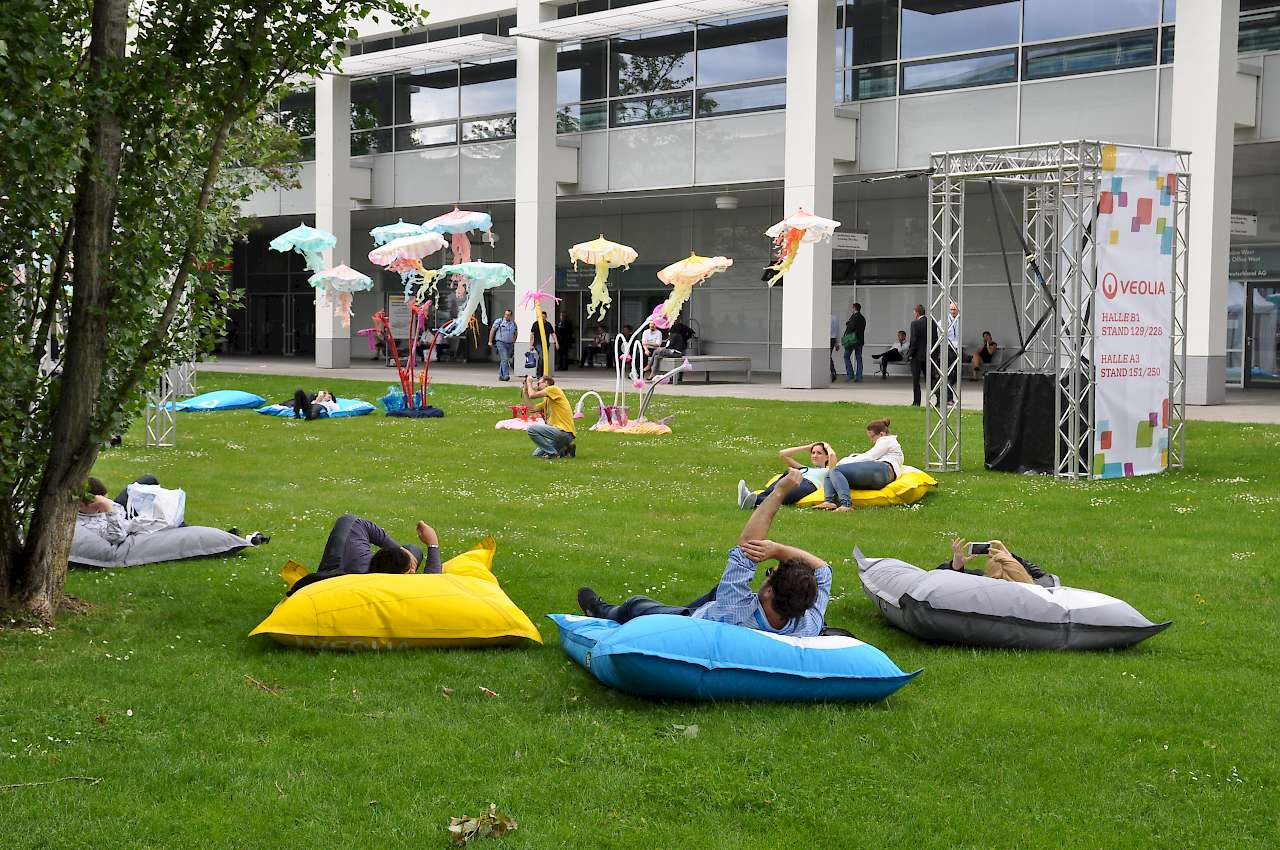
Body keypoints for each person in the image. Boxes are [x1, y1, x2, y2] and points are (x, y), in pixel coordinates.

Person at [577, 469, 831, 637]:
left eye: (769, 574)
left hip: (699, 621)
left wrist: (779, 494)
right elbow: (823, 571)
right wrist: (778, 551)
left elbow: (748, 546)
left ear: (768, 591)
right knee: (719, 590)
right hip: (721, 606)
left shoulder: (735, 610)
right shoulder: (807, 624)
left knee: (637, 606)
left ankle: (600, 610)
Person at [287, 515, 441, 596]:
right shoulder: (405, 591)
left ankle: (404, 554)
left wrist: (399, 549)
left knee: (412, 550)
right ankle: (405, 554)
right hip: (345, 576)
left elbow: (351, 521)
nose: (413, 572)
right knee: (413, 550)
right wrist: (433, 544)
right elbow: (434, 586)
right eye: (410, 571)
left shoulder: (358, 564)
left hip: (344, 572)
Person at [815, 418, 903, 511]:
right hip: (881, 477)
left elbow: (868, 457)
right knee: (830, 473)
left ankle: (846, 504)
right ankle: (829, 502)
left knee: (835, 470)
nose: (871, 441)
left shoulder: (886, 440)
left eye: (872, 437)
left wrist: (842, 462)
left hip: (882, 470)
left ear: (882, 434)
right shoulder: (893, 446)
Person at [736, 442, 836, 510]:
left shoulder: (829, 471)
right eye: (813, 453)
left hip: (807, 484)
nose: (814, 455)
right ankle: (750, 499)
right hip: (793, 478)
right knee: (786, 474)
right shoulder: (804, 468)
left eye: (819, 453)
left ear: (826, 457)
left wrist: (827, 447)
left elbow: (832, 456)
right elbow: (783, 454)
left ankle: (750, 500)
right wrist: (807, 447)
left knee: (779, 496)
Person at [936, 539, 1048, 585]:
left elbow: (941, 574)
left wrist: (956, 567)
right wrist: (1011, 559)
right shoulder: (1040, 589)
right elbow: (1043, 575)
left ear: (990, 575)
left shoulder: (983, 586)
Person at [522, 374, 576, 459]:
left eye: (539, 383)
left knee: (531, 429)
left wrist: (529, 383)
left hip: (563, 431)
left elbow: (532, 395)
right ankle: (566, 449)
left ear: (546, 383)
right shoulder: (547, 398)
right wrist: (525, 391)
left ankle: (553, 454)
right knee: (537, 455)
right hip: (560, 435)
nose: (537, 386)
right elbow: (532, 409)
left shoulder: (553, 389)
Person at [907, 304, 929, 406]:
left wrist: (910, 354)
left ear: (917, 313)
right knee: (930, 379)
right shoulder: (932, 323)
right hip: (928, 356)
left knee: (916, 380)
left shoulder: (915, 323)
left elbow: (913, 340)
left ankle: (916, 401)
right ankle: (938, 399)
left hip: (917, 356)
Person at [488, 308, 517, 381]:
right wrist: (490, 341)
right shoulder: (499, 321)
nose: (506, 316)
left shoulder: (513, 323)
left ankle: (501, 376)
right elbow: (492, 330)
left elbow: (515, 332)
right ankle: (506, 375)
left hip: (510, 343)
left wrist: (514, 341)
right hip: (501, 342)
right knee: (505, 359)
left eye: (508, 315)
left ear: (511, 316)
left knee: (504, 359)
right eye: (505, 314)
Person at [527, 311, 557, 378]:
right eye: (541, 316)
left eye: (544, 317)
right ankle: (539, 374)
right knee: (542, 356)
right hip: (537, 344)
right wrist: (530, 345)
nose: (542, 318)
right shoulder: (536, 324)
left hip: (546, 345)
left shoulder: (548, 324)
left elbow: (553, 334)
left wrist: (556, 342)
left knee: (543, 358)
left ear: (546, 317)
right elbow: (531, 335)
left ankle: (542, 373)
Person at [842, 303, 867, 382]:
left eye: (852, 308)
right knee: (858, 358)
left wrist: (847, 324)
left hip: (852, 340)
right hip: (860, 341)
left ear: (854, 308)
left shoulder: (854, 317)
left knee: (846, 356)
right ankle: (859, 377)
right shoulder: (863, 318)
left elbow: (851, 327)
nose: (851, 309)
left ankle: (850, 375)